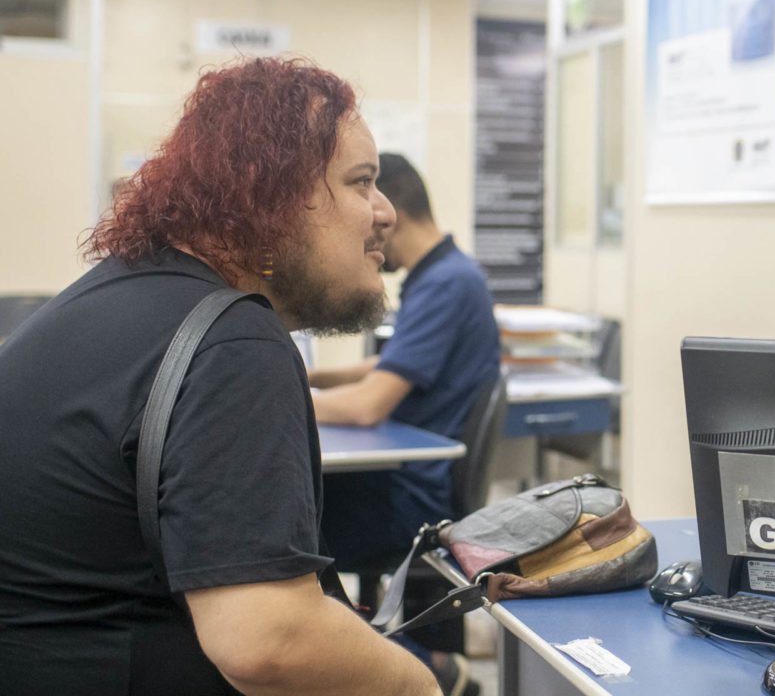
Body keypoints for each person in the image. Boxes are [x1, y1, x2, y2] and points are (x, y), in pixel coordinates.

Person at [0, 57, 439, 696]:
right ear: (272, 200)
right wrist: (419, 686)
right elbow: (269, 641)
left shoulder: (109, 297)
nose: (385, 213)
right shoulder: (231, 338)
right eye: (361, 182)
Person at [309, 153, 501, 569]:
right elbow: (394, 362)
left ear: (388, 211)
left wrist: (277, 397)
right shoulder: (447, 273)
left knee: (292, 516)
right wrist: (311, 376)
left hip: (414, 501)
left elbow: (366, 407)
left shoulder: (445, 284)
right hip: (417, 485)